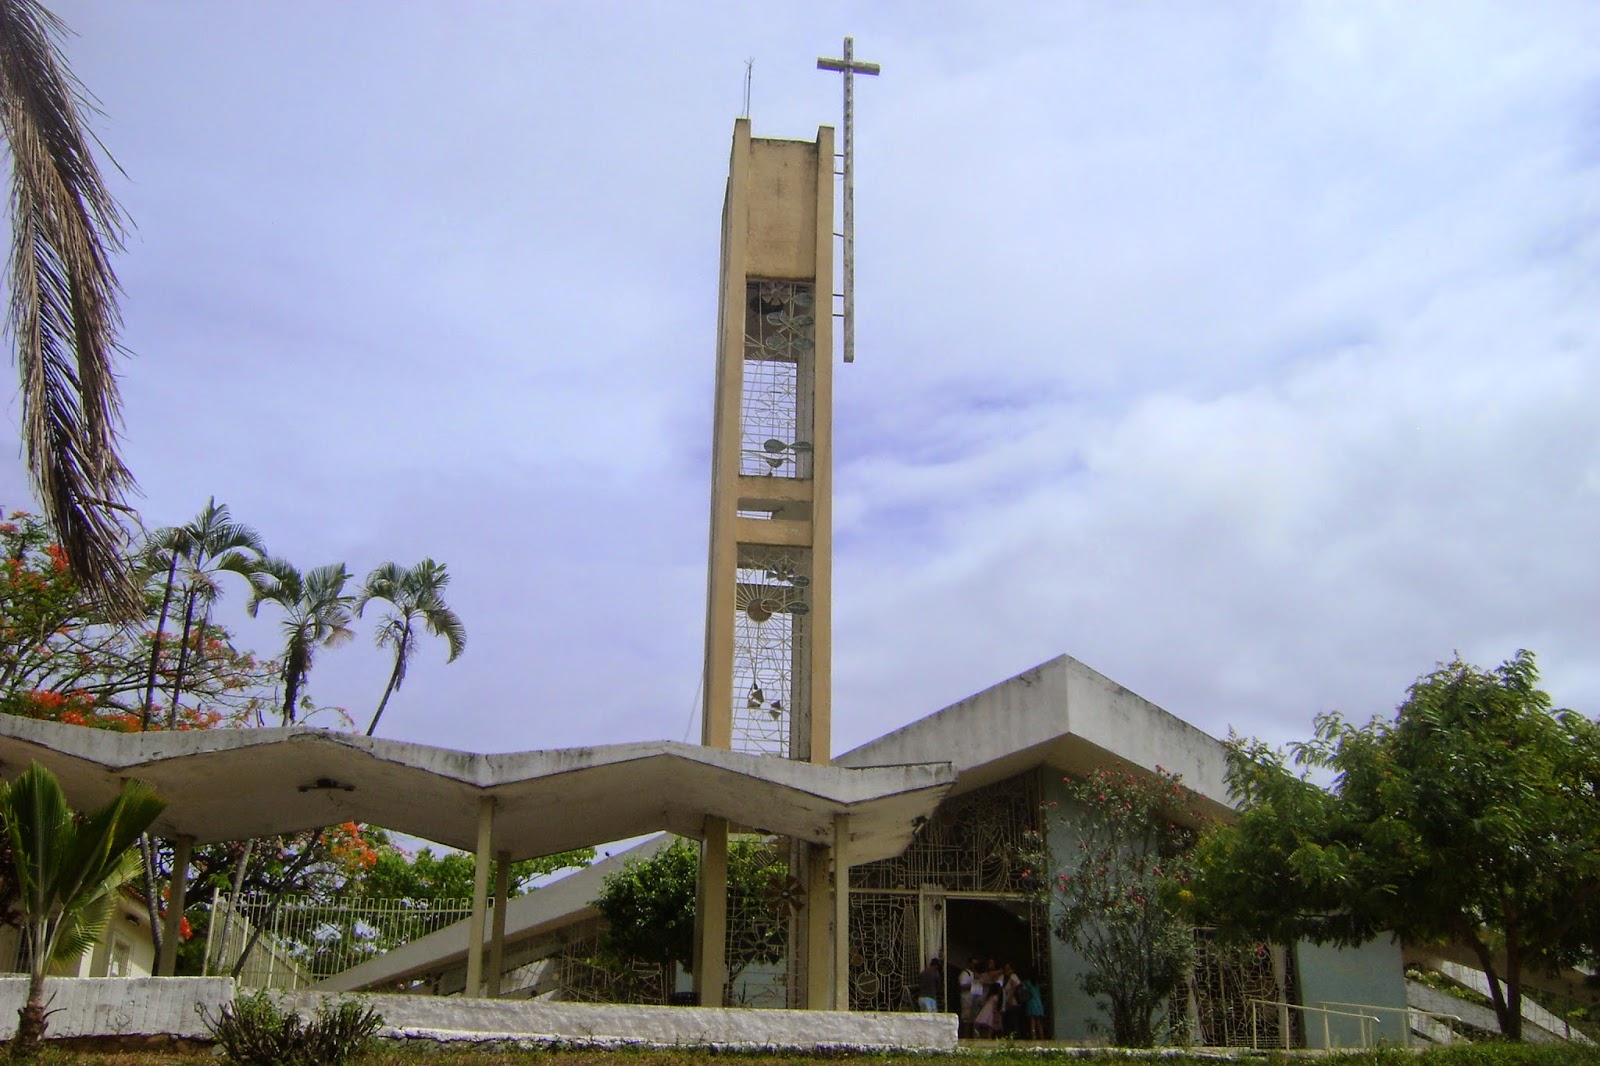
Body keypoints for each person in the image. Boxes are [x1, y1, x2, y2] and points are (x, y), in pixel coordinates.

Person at [1023, 973, 1046, 1040]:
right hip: (1038, 1004)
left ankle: (1034, 1037)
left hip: (1031, 1003)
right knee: (1039, 1023)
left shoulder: (1027, 983)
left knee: (1032, 1022)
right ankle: (1042, 1037)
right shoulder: (1037, 984)